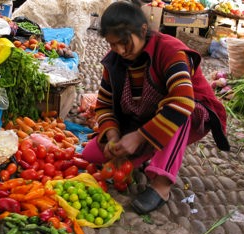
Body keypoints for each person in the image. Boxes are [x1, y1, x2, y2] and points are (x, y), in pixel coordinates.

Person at [81, 0, 230, 214]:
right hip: (145, 116)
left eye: (125, 42)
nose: (121, 50)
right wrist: (113, 135)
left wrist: (139, 137)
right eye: (113, 44)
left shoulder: (171, 51)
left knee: (181, 110)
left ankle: (162, 185)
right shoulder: (113, 62)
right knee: (92, 154)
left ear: (142, 30)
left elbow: (182, 101)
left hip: (193, 114)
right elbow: (104, 104)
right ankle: (147, 151)